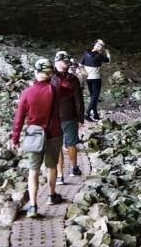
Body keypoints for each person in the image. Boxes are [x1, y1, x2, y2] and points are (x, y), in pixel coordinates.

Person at [10, 58, 64, 218]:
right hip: (53, 134)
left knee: (33, 171)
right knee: (51, 167)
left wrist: (15, 138)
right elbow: (63, 85)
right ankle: (51, 196)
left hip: (33, 136)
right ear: (50, 74)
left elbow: (18, 119)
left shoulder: (26, 93)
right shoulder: (55, 90)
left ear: (35, 73)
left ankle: (33, 206)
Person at [51, 51, 84, 185]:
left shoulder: (49, 77)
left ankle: (59, 176)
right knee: (71, 143)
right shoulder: (73, 79)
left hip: (53, 117)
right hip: (69, 115)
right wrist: (80, 117)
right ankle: (74, 168)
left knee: (57, 146)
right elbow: (78, 100)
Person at [80, 39, 111, 121]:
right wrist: (107, 51)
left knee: (92, 97)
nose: (101, 48)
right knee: (95, 97)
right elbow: (108, 61)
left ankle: (95, 114)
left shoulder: (86, 53)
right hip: (96, 79)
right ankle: (87, 113)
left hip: (88, 79)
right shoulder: (99, 56)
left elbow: (80, 64)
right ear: (99, 47)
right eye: (101, 47)